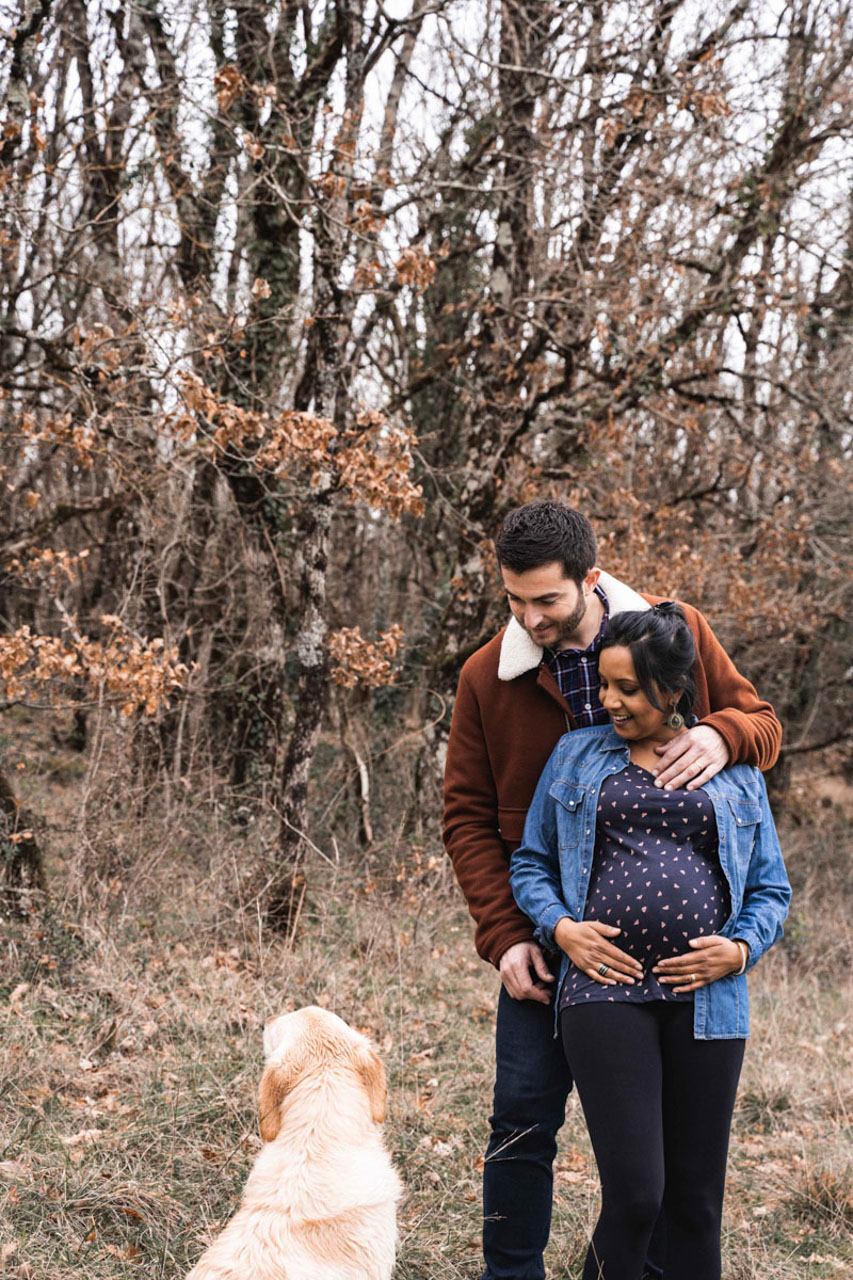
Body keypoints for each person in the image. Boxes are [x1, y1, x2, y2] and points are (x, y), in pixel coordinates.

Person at [443, 501, 782, 1280]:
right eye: (513, 601)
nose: (529, 619)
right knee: (523, 1116)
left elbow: (758, 724)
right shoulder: (485, 680)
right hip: (547, 936)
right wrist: (509, 937)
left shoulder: (675, 631)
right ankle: (512, 1274)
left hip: (681, 977)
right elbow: (466, 818)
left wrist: (718, 732)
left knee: (672, 1177)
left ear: (589, 582)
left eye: (547, 601)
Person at [509, 603, 790, 1279]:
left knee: (694, 1205)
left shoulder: (732, 769)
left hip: (707, 999)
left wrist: (740, 949)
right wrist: (563, 929)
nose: (608, 700)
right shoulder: (577, 755)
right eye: (604, 684)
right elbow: (531, 862)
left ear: (670, 690)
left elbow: (770, 890)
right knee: (637, 1196)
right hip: (606, 990)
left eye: (626, 689)